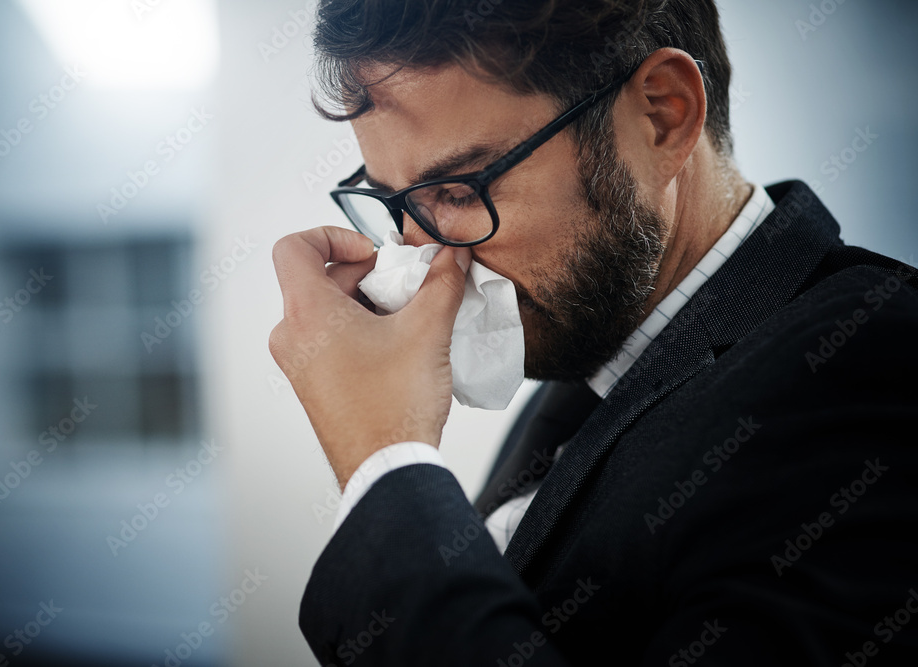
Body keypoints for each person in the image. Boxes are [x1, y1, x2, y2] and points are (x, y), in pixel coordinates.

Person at [268, 1, 918, 664]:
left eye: (458, 192)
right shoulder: (590, 366)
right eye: (396, 205)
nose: (423, 257)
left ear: (662, 117)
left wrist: (384, 458)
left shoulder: (874, 364)